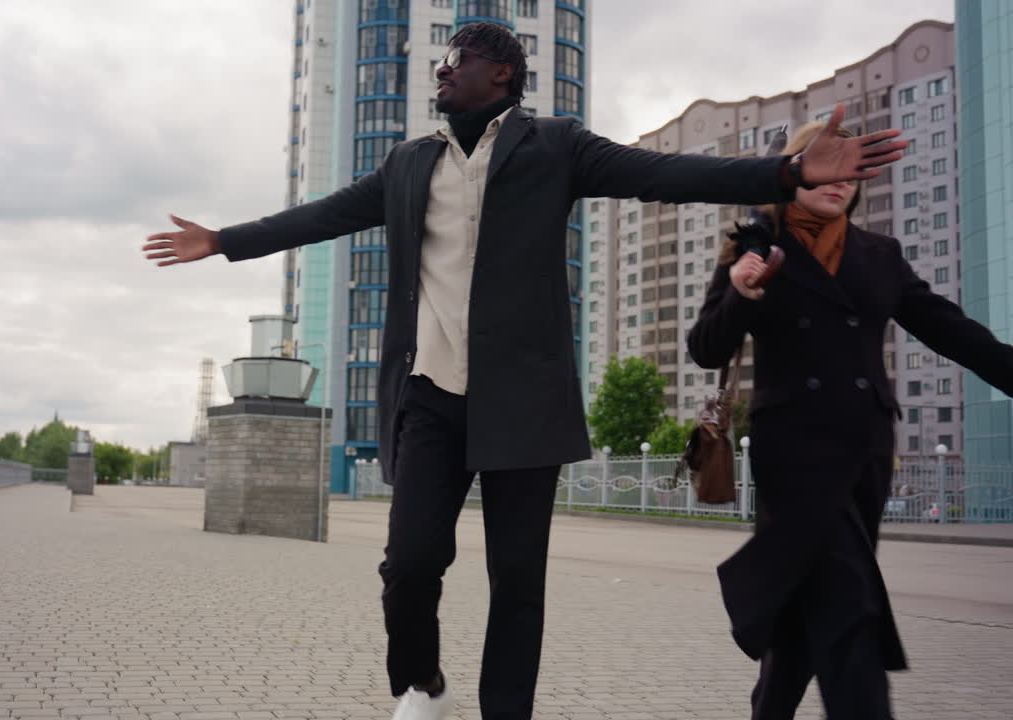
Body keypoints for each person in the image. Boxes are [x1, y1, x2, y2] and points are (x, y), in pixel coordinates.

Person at [144, 23, 904, 720]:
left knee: (518, 583)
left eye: (456, 62)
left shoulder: (558, 147)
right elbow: (322, 215)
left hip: (525, 406)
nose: (440, 71)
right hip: (430, 397)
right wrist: (223, 241)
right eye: (440, 63)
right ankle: (423, 680)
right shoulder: (410, 163)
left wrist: (786, 172)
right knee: (410, 564)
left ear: (501, 74)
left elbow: (666, 172)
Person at [688, 120, 1013, 720]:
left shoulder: (878, 255)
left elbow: (951, 330)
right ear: (794, 172)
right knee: (850, 603)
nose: (841, 179)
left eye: (851, 169)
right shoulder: (755, 247)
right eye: (825, 164)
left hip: (865, 455)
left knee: (803, 614)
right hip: (794, 458)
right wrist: (741, 292)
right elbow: (706, 347)